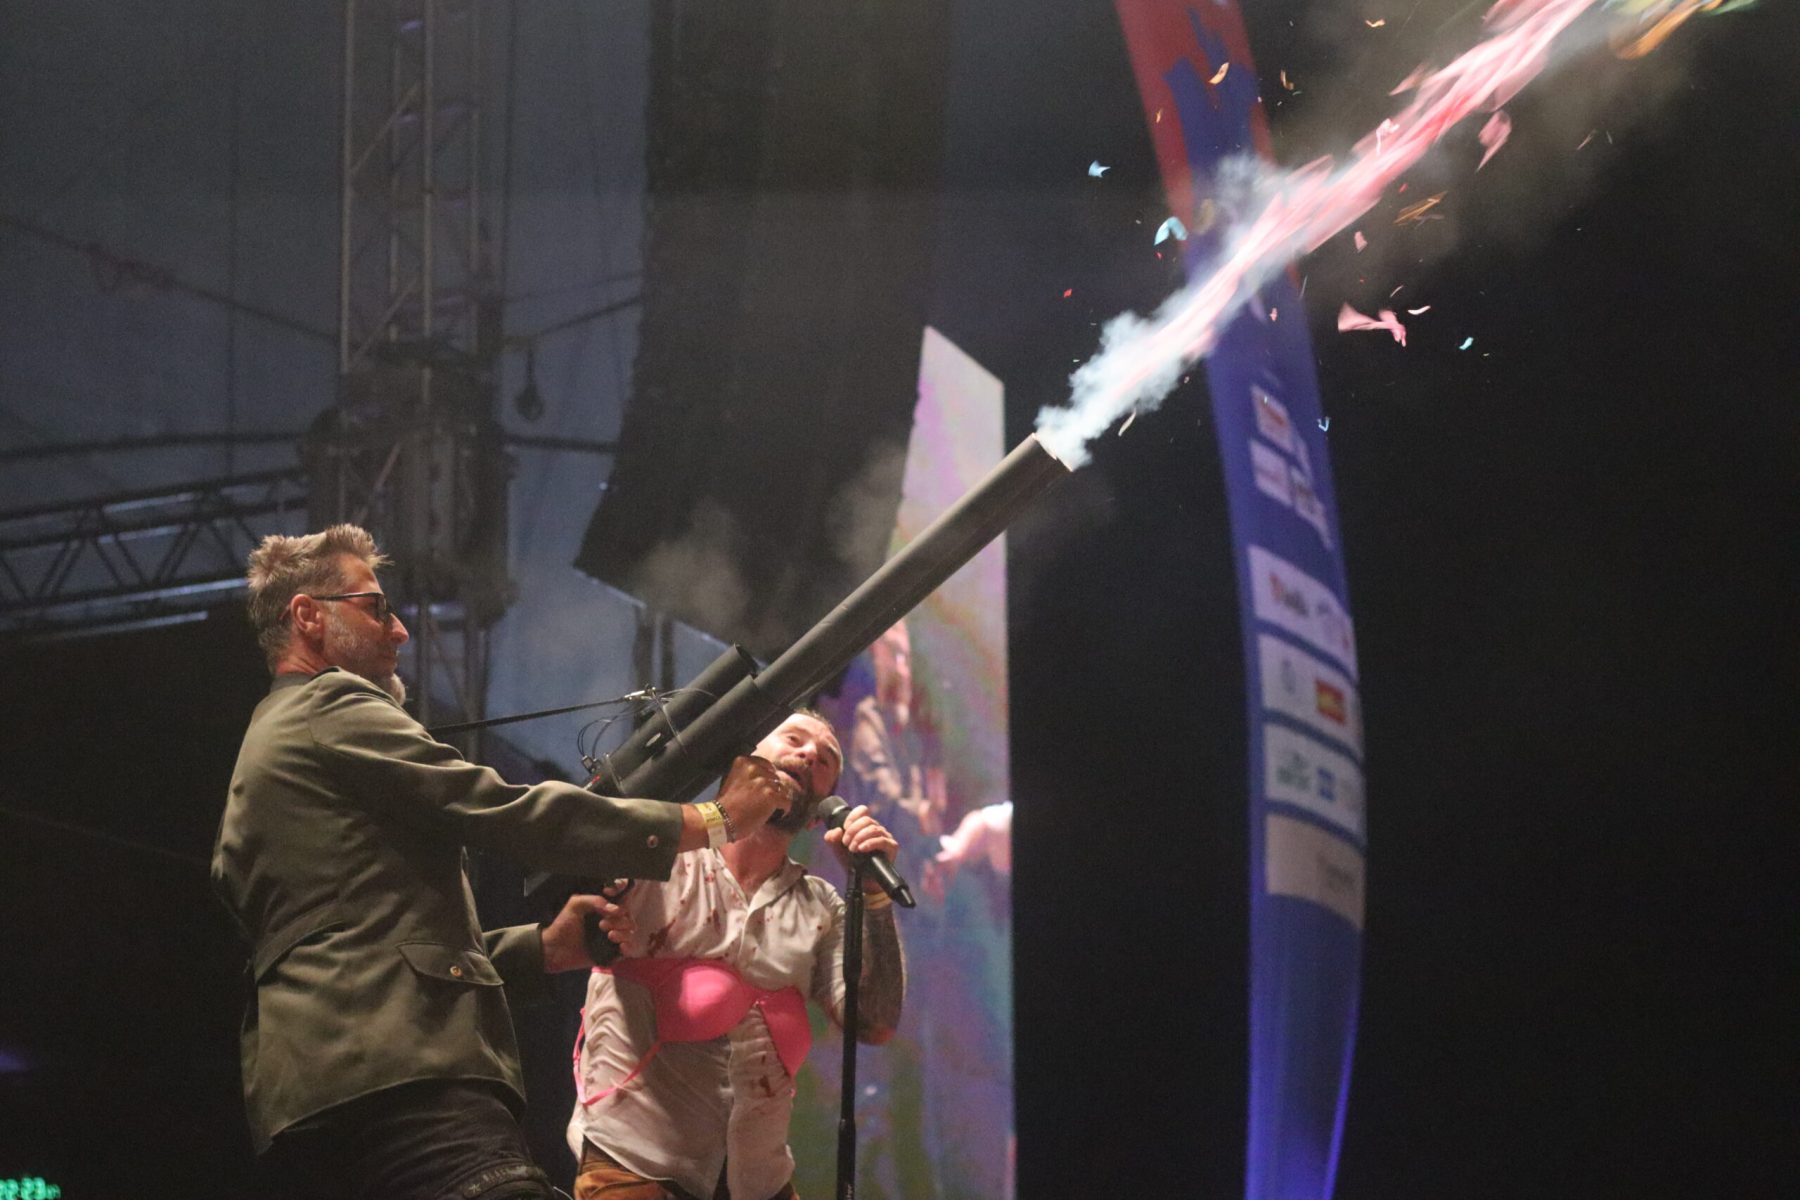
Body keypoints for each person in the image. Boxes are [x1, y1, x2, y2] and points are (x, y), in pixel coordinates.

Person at [211, 524, 795, 1200]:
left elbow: (357, 946)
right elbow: (502, 810)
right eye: (376, 607)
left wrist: (544, 949)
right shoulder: (329, 704)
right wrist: (713, 820)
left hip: (316, 1099)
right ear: (308, 616)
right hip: (406, 1081)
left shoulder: (270, 746)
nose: (399, 631)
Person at [566, 711, 906, 1200]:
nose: (809, 754)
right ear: (741, 762)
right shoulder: (661, 853)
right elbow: (576, 867)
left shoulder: (820, 906)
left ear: (818, 814)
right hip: (633, 1165)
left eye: (826, 760)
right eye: (793, 738)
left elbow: (873, 1023)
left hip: (760, 1182)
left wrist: (873, 897)